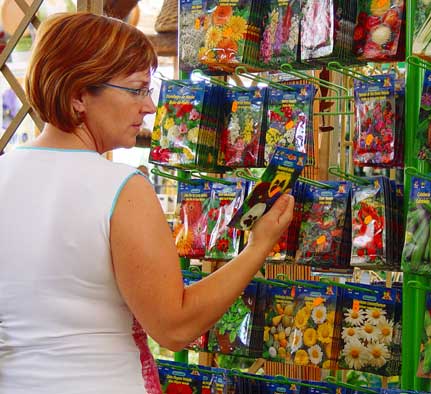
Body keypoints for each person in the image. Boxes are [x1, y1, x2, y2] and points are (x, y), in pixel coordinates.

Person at [0, 12, 294, 394]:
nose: (150, 106)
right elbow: (175, 326)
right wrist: (258, 248)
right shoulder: (120, 188)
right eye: (137, 89)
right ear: (78, 96)